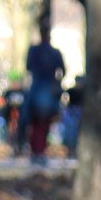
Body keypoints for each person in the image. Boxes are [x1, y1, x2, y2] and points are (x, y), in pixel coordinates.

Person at [24, 22, 65, 164]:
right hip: (47, 90)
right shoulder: (55, 53)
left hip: (37, 89)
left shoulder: (33, 50)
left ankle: (36, 150)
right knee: (43, 123)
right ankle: (39, 151)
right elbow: (62, 71)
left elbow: (28, 67)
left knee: (34, 122)